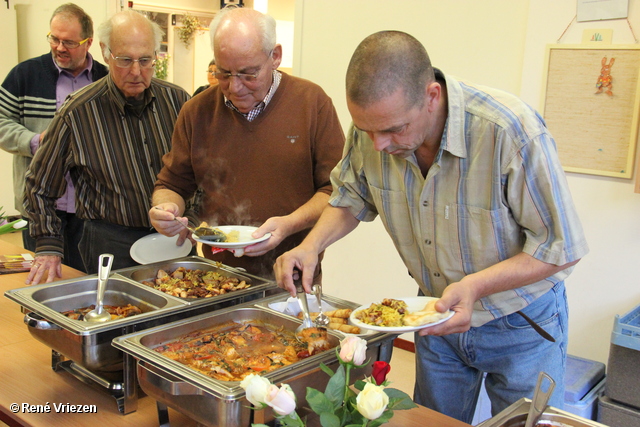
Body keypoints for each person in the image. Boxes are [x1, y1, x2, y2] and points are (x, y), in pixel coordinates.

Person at [274, 31, 589, 423]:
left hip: (522, 324)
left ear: (432, 96)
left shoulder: (509, 132)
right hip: (436, 315)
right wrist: (312, 245)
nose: (379, 145)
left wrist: (476, 286)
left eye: (393, 130)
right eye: (367, 130)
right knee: (432, 421)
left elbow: (561, 247)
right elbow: (351, 198)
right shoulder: (372, 130)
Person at [150, 6, 344, 280]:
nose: (235, 87)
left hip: (292, 272)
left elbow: (336, 191)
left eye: (248, 74)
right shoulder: (197, 112)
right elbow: (171, 185)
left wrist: (288, 225)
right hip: (217, 274)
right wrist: (166, 208)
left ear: (275, 56)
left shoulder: (312, 103)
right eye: (223, 73)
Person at [24, 10, 190, 284]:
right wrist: (49, 246)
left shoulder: (177, 101)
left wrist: (192, 217)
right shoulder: (78, 112)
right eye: (124, 60)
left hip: (172, 240)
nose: (136, 71)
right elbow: (39, 186)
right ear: (105, 52)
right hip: (110, 244)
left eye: (145, 60)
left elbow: (197, 172)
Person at [0, 3, 109, 271]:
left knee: (87, 279)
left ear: (88, 43)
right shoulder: (24, 75)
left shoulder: (105, 79)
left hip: (92, 207)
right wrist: (36, 142)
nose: (59, 47)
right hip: (41, 206)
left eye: (69, 42)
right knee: (44, 282)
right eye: (54, 39)